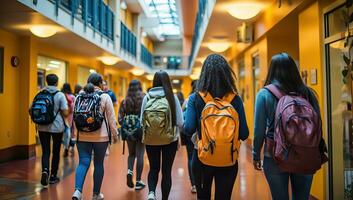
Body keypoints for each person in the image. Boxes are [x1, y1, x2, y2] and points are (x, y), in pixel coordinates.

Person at [252, 53, 324, 200]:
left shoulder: (264, 94)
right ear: (294, 70)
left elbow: (258, 131)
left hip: (274, 155)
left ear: (271, 70)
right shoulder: (308, 93)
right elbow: (317, 124)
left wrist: (255, 155)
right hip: (305, 152)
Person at [184, 54, 249, 200]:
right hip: (228, 158)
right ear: (227, 74)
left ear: (204, 74)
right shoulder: (235, 99)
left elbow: (188, 128)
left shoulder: (195, 98)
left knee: (203, 196)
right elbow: (244, 133)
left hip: (202, 158)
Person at [72, 73, 119, 200]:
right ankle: (96, 194)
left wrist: (75, 134)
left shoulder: (78, 97)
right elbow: (111, 119)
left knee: (83, 162)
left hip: (82, 136)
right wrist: (115, 135)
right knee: (98, 164)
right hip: (101, 137)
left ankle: (77, 191)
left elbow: (74, 117)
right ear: (99, 84)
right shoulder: (105, 97)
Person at [141, 70, 184, 200]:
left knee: (153, 168)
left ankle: (152, 193)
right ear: (167, 82)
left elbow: (141, 121)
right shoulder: (172, 97)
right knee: (166, 171)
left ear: (154, 81)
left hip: (150, 139)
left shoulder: (147, 97)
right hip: (170, 140)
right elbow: (180, 122)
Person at [33, 74, 69, 186]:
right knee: (56, 151)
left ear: (46, 81)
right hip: (57, 127)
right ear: (57, 82)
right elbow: (65, 112)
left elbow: (31, 109)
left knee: (45, 151)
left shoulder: (39, 93)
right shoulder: (60, 95)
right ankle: (53, 176)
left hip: (42, 126)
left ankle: (45, 171)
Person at [118, 80, 146, 190]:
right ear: (139, 86)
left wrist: (127, 124)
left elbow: (120, 118)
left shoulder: (125, 101)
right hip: (141, 130)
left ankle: (129, 171)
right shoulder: (144, 98)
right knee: (140, 154)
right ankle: (138, 181)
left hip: (129, 130)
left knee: (131, 154)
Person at [181, 80, 198, 194]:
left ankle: (193, 184)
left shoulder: (188, 100)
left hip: (189, 133)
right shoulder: (205, 98)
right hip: (201, 134)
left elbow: (182, 118)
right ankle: (201, 181)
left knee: (190, 157)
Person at [61, 83, 75, 157]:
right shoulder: (72, 96)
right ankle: (70, 146)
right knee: (70, 130)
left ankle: (65, 146)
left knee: (64, 132)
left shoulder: (61, 95)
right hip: (70, 116)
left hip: (62, 116)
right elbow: (73, 108)